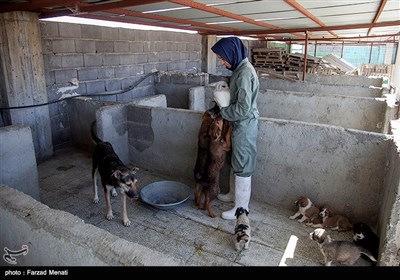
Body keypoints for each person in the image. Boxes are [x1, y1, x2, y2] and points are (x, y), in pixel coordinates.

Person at [211, 37, 260, 220]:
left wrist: (223, 111)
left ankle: (241, 209)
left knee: (243, 166)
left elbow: (243, 107)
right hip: (239, 123)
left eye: (223, 58)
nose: (222, 62)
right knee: (237, 162)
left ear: (233, 53)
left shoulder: (245, 73)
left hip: (245, 124)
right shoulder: (239, 70)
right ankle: (233, 195)